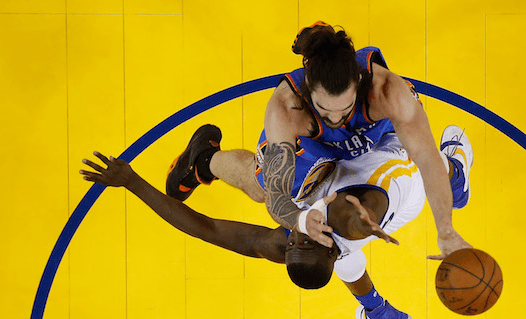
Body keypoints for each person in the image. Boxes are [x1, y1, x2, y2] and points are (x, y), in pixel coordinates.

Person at [80, 125, 473, 319]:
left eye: (295, 237)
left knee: (268, 187)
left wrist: (132, 182)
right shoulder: (351, 223)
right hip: (393, 151)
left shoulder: (294, 240)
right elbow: (350, 231)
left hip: (346, 176)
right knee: (435, 171)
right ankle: (456, 172)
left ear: (289, 247)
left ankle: (203, 160)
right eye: (309, 238)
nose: (301, 230)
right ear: (331, 248)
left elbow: (205, 228)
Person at [164, 22, 471, 259]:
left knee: (420, 155)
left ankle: (455, 171)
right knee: (258, 188)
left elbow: (426, 157)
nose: (336, 118)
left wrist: (445, 229)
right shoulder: (286, 108)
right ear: (308, 87)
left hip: (376, 131)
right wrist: (298, 219)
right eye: (326, 110)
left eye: (344, 108)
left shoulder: (389, 92)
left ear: (359, 84)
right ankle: (204, 159)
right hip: (313, 144)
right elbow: (276, 196)